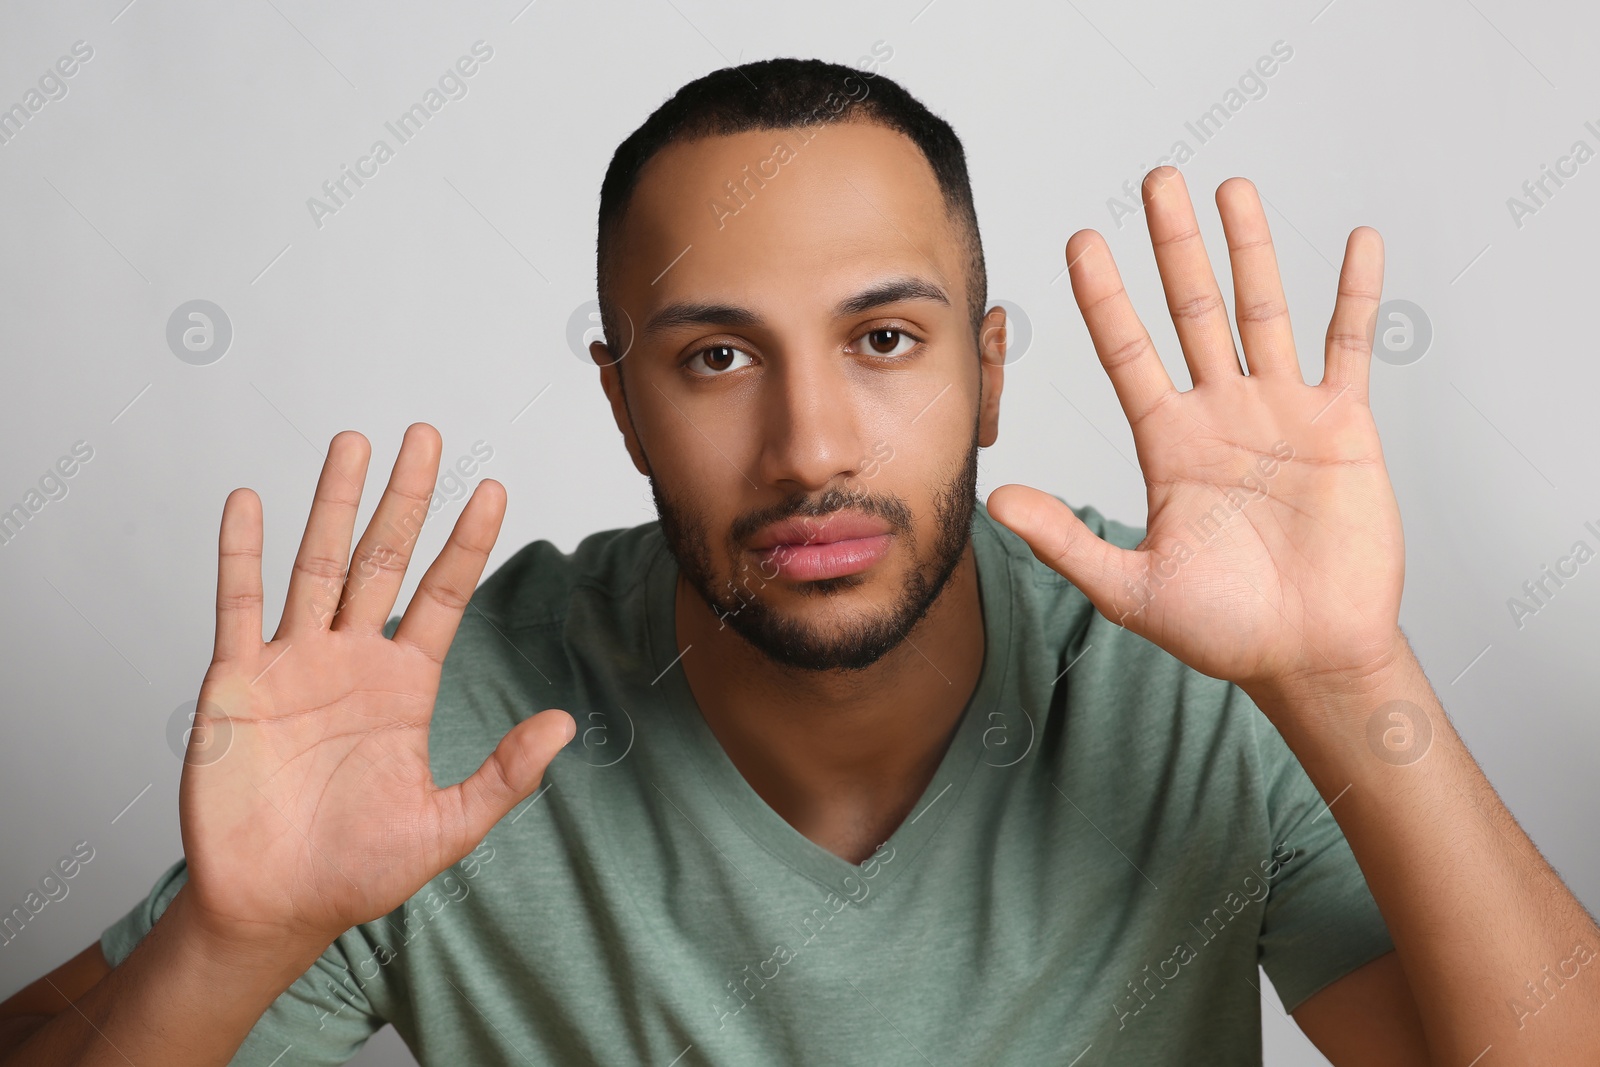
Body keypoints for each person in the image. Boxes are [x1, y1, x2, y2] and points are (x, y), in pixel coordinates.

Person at [2, 56, 1596, 1066]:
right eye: (713, 359)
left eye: (885, 339)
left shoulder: (1196, 667)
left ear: (986, 370)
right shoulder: (436, 716)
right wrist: (232, 945)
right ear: (622, 402)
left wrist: (1349, 678)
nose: (810, 445)